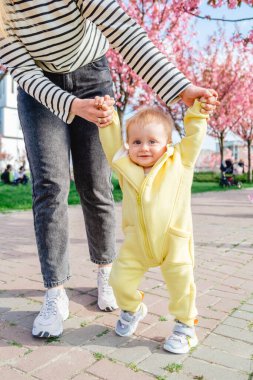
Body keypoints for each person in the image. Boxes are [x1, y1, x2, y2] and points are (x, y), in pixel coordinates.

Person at [0, 0, 218, 339]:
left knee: (96, 182)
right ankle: (55, 292)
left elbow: (124, 30)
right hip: (39, 87)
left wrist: (180, 88)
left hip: (91, 74)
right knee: (49, 186)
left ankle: (105, 269)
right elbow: (24, 72)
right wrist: (71, 106)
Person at [98, 95, 209, 354]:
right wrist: (108, 117)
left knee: (182, 284)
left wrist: (198, 111)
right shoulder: (125, 167)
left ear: (167, 143)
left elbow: (193, 137)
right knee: (118, 281)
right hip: (137, 241)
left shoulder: (180, 162)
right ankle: (133, 308)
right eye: (136, 142)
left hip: (174, 241)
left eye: (152, 141)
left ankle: (185, 327)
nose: (144, 148)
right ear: (128, 145)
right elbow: (112, 145)